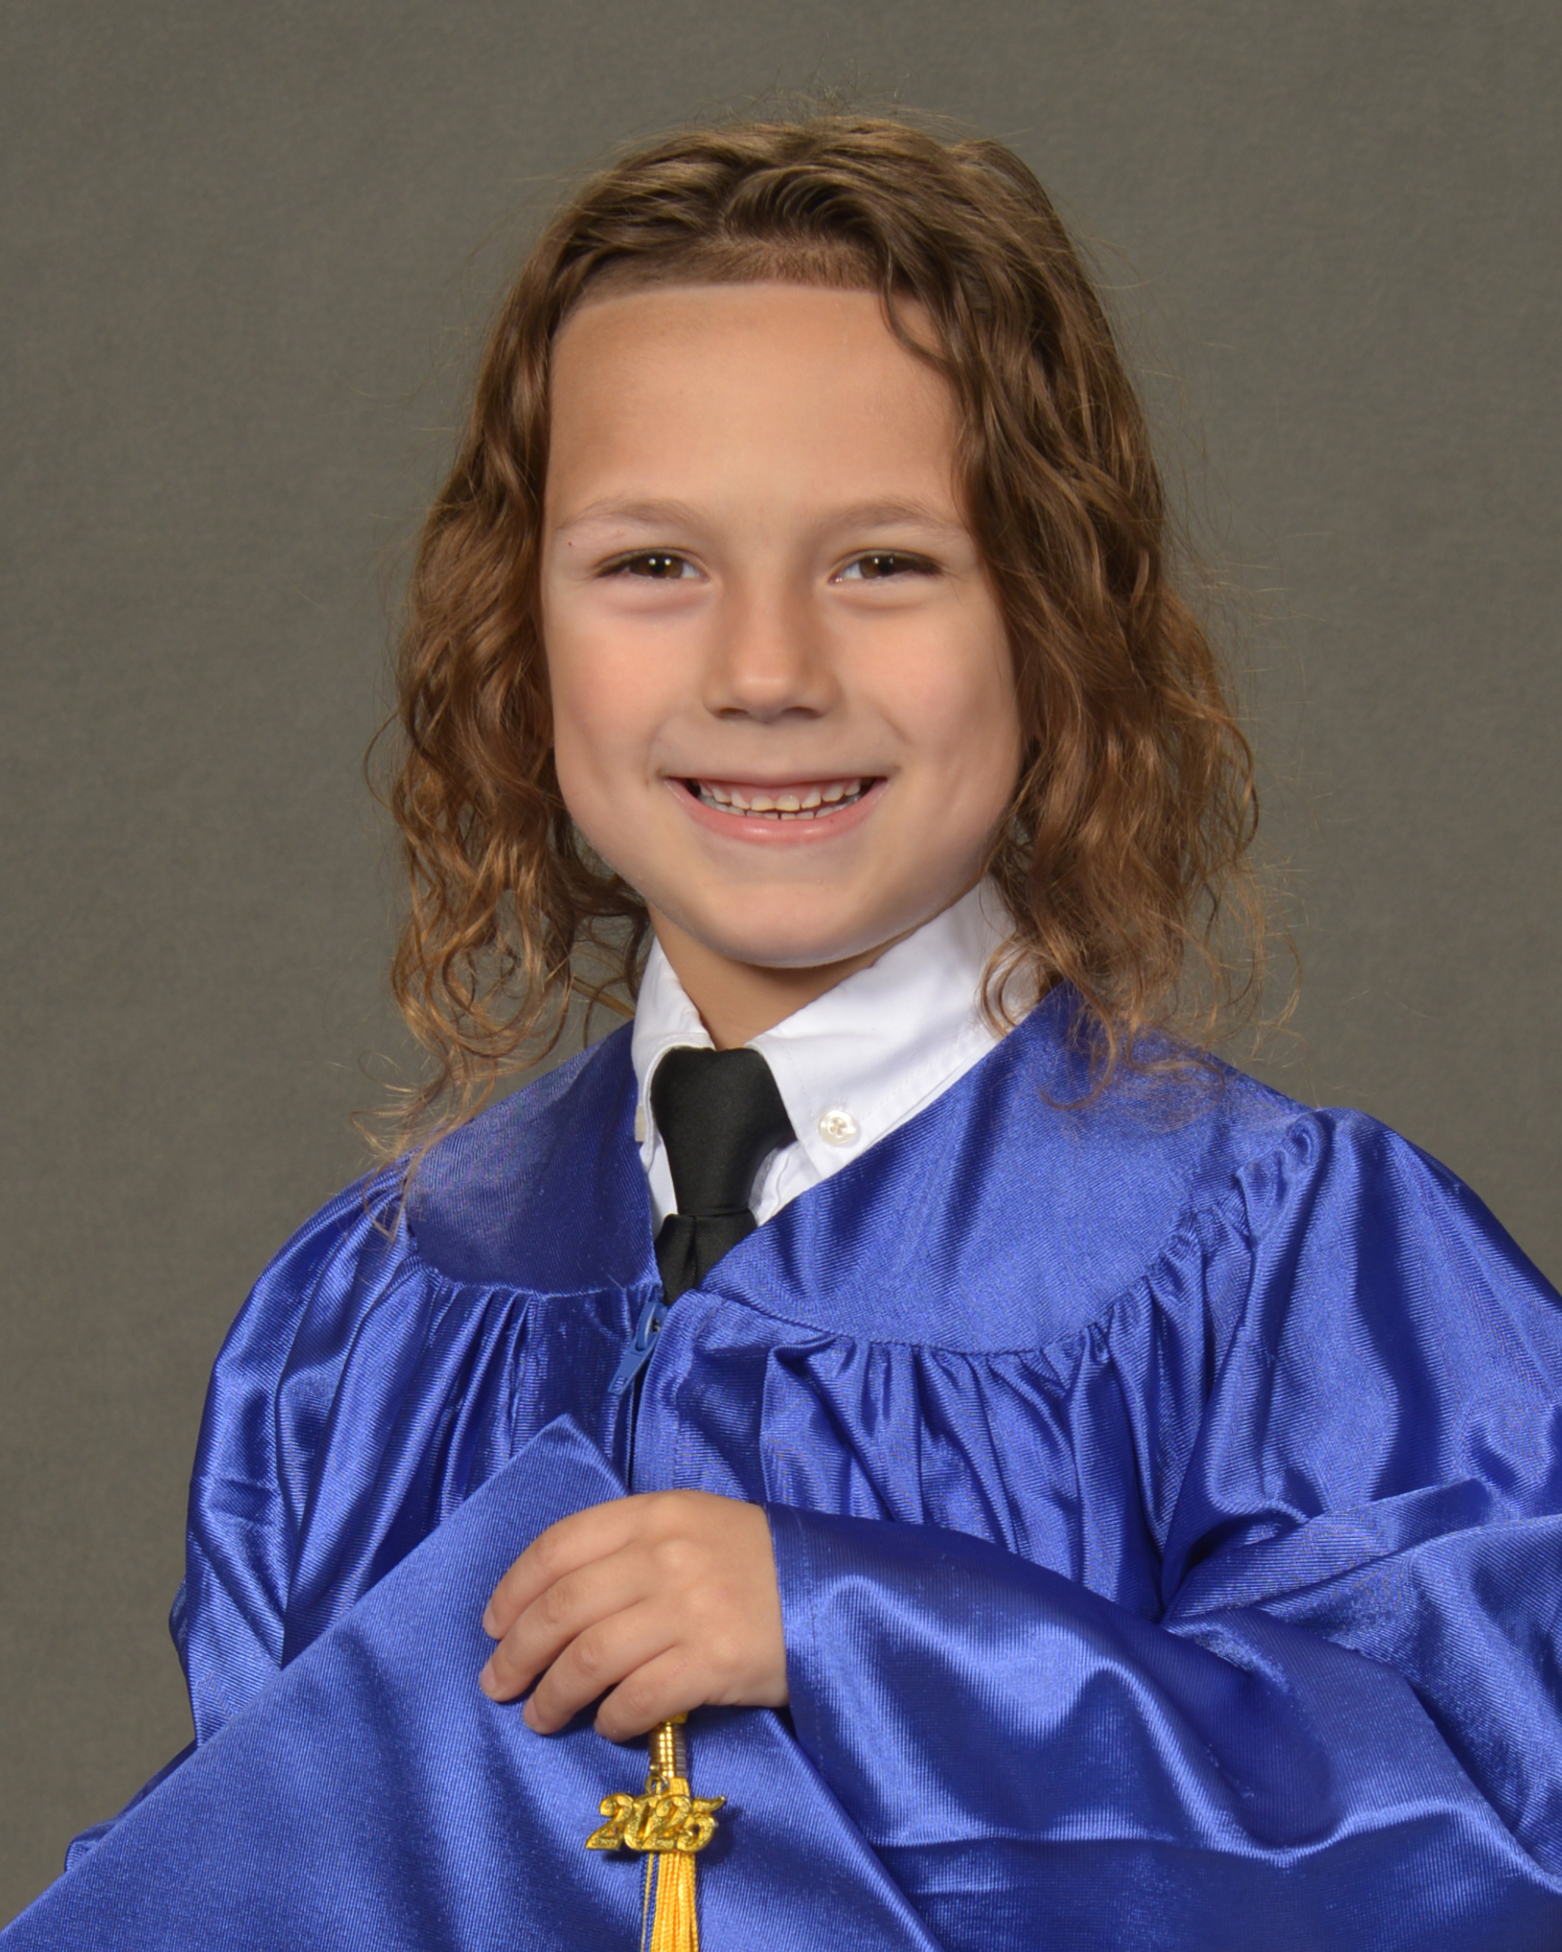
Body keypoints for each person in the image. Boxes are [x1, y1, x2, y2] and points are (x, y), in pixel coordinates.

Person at [8, 113, 1562, 1952]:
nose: (763, 673)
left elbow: (1488, 1844)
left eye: (882, 563)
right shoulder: (359, 1330)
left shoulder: (1297, 1276)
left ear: (1051, 616)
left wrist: (858, 1636)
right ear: (518, 629)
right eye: (651, 565)